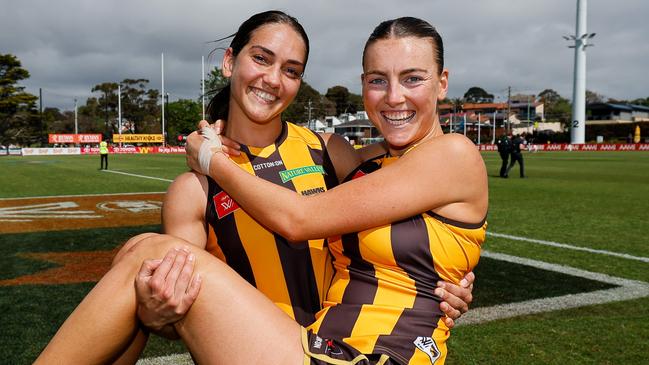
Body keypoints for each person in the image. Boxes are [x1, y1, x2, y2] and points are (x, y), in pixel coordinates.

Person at [38, 11, 474, 364]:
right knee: (142, 259)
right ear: (230, 62)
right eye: (261, 59)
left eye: (291, 70)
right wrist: (156, 312)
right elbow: (178, 311)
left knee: (142, 252)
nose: (272, 79)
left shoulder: (333, 153)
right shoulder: (193, 190)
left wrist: (450, 284)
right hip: (282, 349)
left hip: (334, 349)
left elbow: (418, 222)